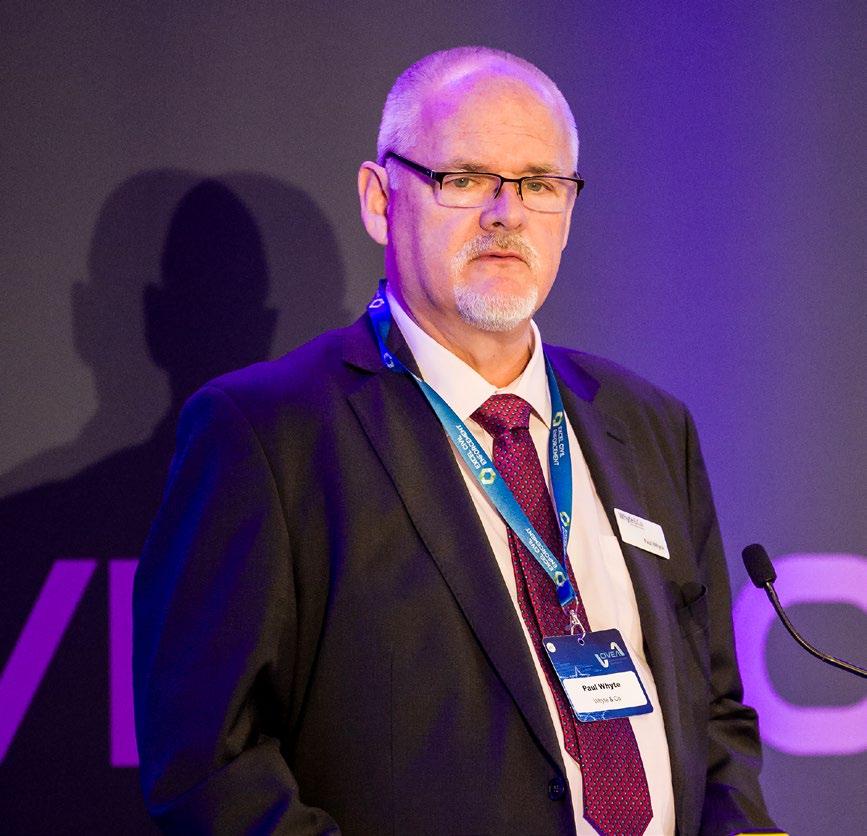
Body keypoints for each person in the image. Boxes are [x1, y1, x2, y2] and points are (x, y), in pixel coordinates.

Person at [133, 46, 780, 835]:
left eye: (539, 184)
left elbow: (713, 717)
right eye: (466, 178)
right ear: (380, 200)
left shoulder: (648, 424)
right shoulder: (267, 434)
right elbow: (212, 766)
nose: (507, 213)